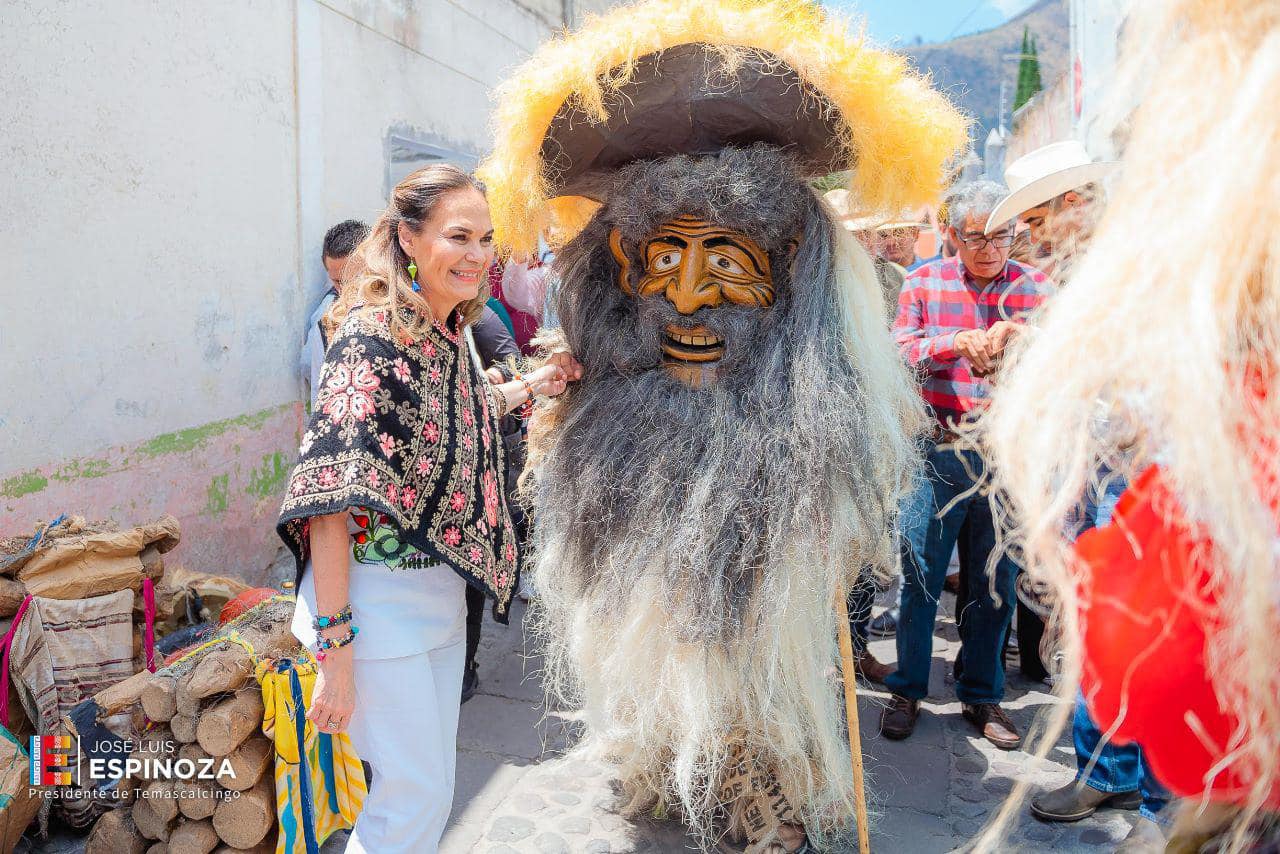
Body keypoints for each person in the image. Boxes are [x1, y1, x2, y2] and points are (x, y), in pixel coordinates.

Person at [478, 2, 966, 849]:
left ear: (785, 278)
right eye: (666, 259)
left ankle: (764, 787)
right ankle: (667, 757)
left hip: (764, 505)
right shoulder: (614, 369)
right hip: (644, 499)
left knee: (765, 674)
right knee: (661, 659)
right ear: (625, 268)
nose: (691, 297)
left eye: (728, 263)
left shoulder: (811, 376)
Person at [982, 1, 1279, 850]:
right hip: (1102, 487)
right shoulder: (1094, 275)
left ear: (1076, 203)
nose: (1031, 237)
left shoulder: (1162, 266)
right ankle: (1116, 777)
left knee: (1145, 643)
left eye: (1040, 218)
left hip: (1145, 486)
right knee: (1106, 640)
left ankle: (1149, 791)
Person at [275, 164, 580, 853]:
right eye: (458, 236)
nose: (477, 254)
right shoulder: (370, 340)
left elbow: (459, 413)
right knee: (409, 805)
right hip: (375, 614)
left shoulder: (445, 334)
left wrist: (540, 381)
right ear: (409, 239)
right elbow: (329, 502)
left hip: (438, 606)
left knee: (425, 795)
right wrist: (338, 651)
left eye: (486, 239)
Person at [879, 179, 1053, 749]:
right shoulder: (924, 281)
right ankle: (907, 687)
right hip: (937, 446)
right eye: (976, 236)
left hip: (1006, 452)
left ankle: (982, 695)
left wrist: (1019, 338)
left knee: (994, 580)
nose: (989, 248)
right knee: (921, 575)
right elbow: (899, 349)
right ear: (952, 235)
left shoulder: (1035, 286)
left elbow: (1062, 351)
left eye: (1000, 235)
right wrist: (954, 341)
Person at [463, 305, 525, 702]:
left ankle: (466, 666)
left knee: (470, 567)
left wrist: (495, 377)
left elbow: (513, 359)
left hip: (485, 456)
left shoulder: (475, 314)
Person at [983, 141, 1117, 281]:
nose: (1034, 240)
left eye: (1039, 223)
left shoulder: (1123, 254)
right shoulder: (1093, 260)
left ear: (1073, 202)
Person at [302, 220, 369, 405]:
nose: (347, 291)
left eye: (355, 278)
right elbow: (317, 382)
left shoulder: (403, 306)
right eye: (338, 281)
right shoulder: (327, 319)